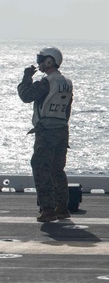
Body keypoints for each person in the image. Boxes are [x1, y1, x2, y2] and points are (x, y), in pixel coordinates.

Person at [18, 47, 73, 222]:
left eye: (42, 60)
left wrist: (27, 77)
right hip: (62, 130)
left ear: (49, 61)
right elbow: (68, 109)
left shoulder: (47, 82)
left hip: (47, 131)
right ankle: (62, 208)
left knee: (40, 166)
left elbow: (25, 96)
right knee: (57, 169)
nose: (40, 63)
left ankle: (48, 210)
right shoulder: (66, 82)